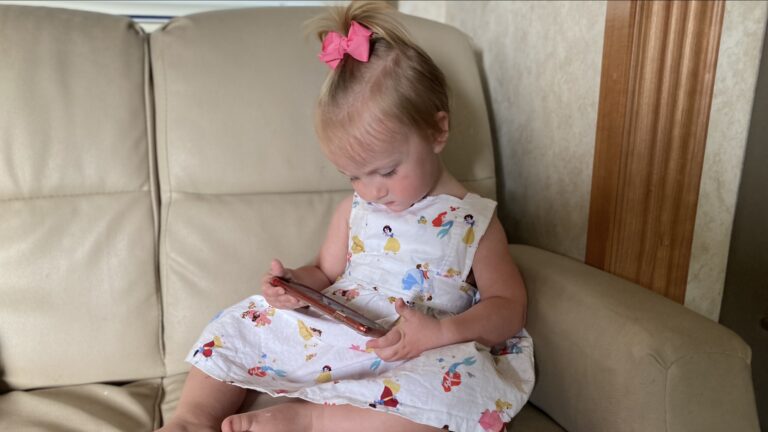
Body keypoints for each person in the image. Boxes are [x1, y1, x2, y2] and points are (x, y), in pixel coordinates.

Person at [158, 2, 533, 431]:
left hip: (418, 349)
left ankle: (311, 419)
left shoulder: (475, 223)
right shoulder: (354, 210)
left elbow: (509, 309)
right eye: (353, 175)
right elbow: (324, 271)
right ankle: (192, 418)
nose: (371, 191)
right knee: (246, 320)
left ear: (437, 131)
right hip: (343, 330)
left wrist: (442, 335)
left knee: (459, 392)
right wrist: (296, 287)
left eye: (387, 171)